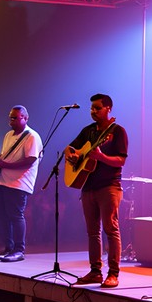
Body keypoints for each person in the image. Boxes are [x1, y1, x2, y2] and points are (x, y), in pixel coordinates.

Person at [65, 93, 129, 288]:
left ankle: (113, 273)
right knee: (92, 232)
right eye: (92, 108)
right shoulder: (88, 131)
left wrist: (101, 157)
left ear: (108, 108)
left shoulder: (117, 132)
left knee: (111, 229)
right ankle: (95, 272)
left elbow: (121, 160)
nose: (93, 111)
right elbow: (69, 148)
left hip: (109, 185)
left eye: (97, 108)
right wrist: (73, 156)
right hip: (88, 186)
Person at [0, 105, 43, 262]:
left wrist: (4, 165)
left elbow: (30, 161)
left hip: (19, 183)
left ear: (26, 118)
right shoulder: (8, 135)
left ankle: (19, 249)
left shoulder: (32, 136)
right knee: (2, 216)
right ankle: (9, 247)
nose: (11, 121)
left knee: (15, 215)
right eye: (10, 118)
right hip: (3, 181)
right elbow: (5, 156)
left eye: (15, 118)